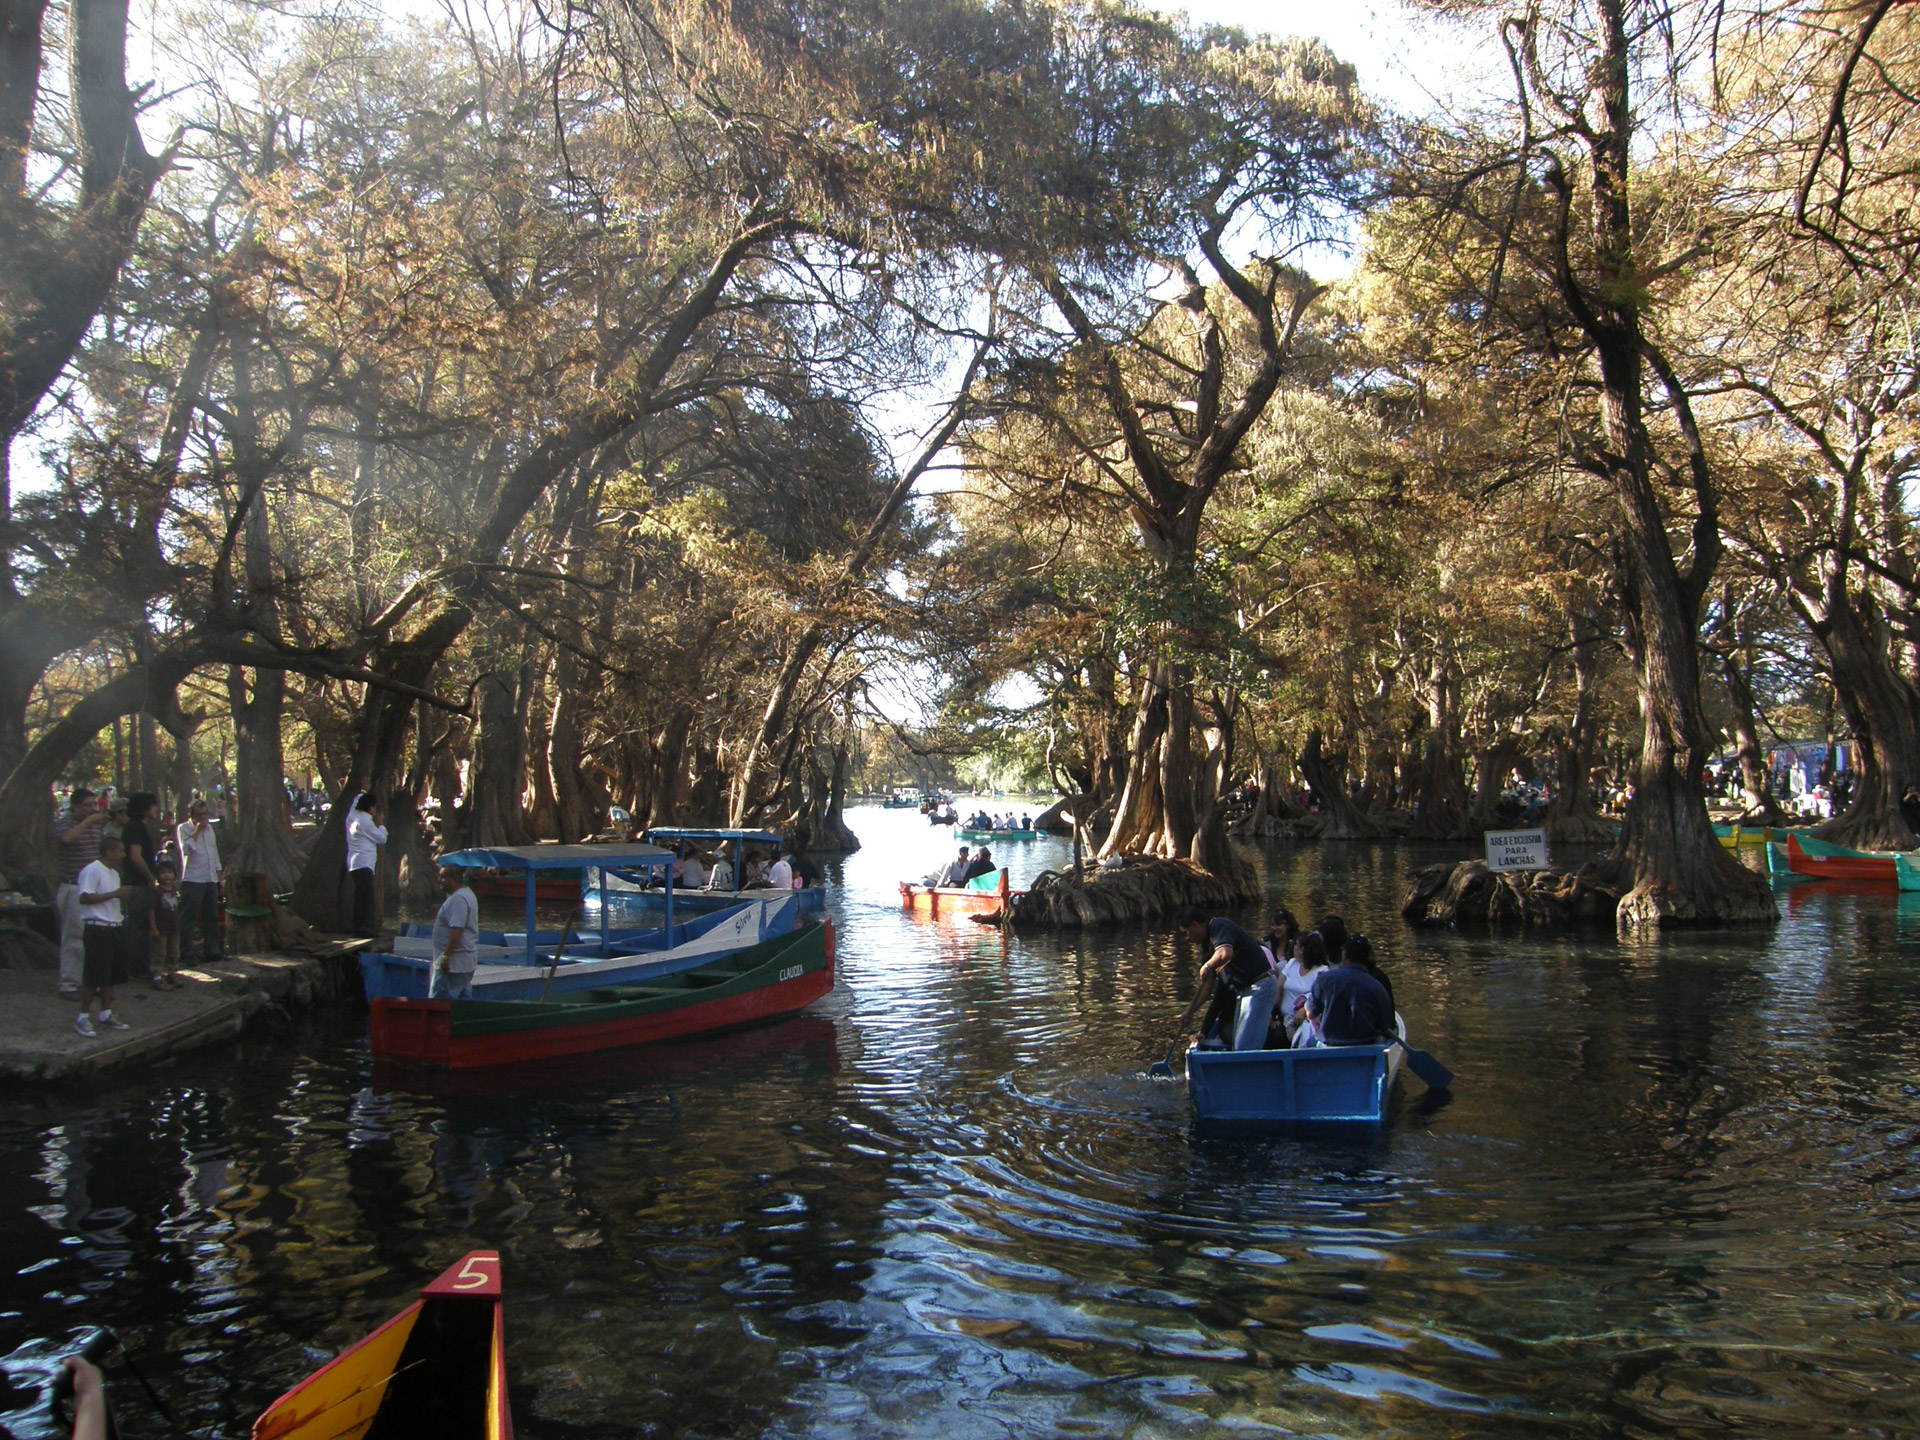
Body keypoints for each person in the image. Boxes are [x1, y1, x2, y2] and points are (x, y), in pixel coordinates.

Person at [1178, 908, 1278, 1052]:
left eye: (1186, 933)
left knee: (1245, 1047)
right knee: (1238, 1045)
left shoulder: (1219, 926)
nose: (1187, 938)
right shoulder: (1208, 945)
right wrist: (1190, 1012)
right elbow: (1208, 987)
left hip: (1260, 986)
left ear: (1194, 925)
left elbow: (1225, 953)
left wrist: (1207, 966)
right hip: (1245, 992)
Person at [74, 836, 132, 1038]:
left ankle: (105, 1013)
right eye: (120, 850)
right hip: (97, 928)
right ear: (109, 852)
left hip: (114, 926)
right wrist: (114, 895)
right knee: (93, 975)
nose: (123, 854)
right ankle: (82, 1017)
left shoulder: (114, 874)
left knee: (111, 974)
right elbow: (84, 897)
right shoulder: (92, 870)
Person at [55, 788, 107, 1000]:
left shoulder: (97, 829)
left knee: (93, 937)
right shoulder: (65, 824)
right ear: (76, 807)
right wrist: (87, 822)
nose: (93, 809)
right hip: (73, 887)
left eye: (95, 804)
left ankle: (90, 981)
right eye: (88, 805)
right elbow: (66, 839)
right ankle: (68, 983)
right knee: (74, 936)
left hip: (95, 889)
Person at [1304, 935, 1395, 1047]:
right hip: (1366, 1047)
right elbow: (1385, 1026)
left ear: (1344, 957)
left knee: (1308, 1043)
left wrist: (1306, 1005)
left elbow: (1311, 1014)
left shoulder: (1324, 980)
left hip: (1329, 1046)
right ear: (1367, 959)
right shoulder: (1377, 987)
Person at [175, 796, 223, 965]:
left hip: (209, 877)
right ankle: (186, 954)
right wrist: (197, 830)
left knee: (211, 917)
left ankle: (212, 951)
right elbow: (187, 850)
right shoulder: (184, 829)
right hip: (193, 878)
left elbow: (214, 852)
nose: (204, 818)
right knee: (189, 918)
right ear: (192, 816)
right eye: (199, 815)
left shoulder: (210, 830)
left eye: (205, 814)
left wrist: (219, 876)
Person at [119, 792, 159, 981]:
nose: (156, 809)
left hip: (141, 884)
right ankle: (136, 969)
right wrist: (150, 877)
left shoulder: (139, 828)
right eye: (153, 806)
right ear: (145, 809)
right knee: (136, 927)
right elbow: (136, 856)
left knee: (142, 926)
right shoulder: (134, 828)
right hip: (137, 884)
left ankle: (141, 966)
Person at [429, 864, 480, 999]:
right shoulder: (467, 893)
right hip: (463, 962)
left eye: (443, 877)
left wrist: (446, 957)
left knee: (440, 1003)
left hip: (454, 964)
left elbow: (457, 930)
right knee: (463, 1001)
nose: (439, 880)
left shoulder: (459, 899)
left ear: (455, 879)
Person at [1280, 929, 1331, 1045]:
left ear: (1305, 950)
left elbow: (1320, 998)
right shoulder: (1292, 963)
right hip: (1284, 1019)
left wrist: (1304, 1009)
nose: (1294, 948)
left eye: (1297, 946)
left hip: (1307, 1022)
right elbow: (1278, 986)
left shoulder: (1322, 971)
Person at [346, 792, 387, 937]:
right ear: (370, 808)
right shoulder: (366, 822)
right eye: (374, 808)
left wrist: (363, 790)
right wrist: (381, 824)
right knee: (367, 898)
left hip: (354, 863)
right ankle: (366, 928)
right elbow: (381, 838)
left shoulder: (352, 815)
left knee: (360, 896)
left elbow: (355, 801)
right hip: (364, 864)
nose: (376, 811)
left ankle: (358, 926)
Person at [151, 859, 183, 989]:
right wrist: (153, 927)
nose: (167, 875)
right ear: (158, 875)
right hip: (161, 928)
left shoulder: (175, 891)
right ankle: (157, 976)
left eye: (170, 872)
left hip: (174, 928)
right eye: (163, 873)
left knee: (174, 952)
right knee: (160, 953)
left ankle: (172, 974)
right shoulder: (156, 892)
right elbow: (151, 911)